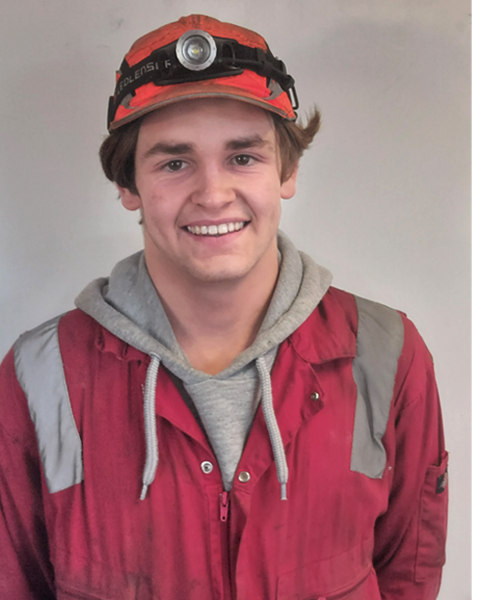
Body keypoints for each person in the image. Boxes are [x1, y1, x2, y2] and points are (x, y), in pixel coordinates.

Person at [0, 14, 448, 600]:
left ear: (286, 171)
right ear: (128, 183)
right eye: (174, 162)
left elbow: (408, 572)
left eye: (243, 157)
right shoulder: (40, 377)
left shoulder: (387, 354)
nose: (213, 194)